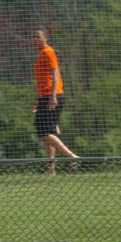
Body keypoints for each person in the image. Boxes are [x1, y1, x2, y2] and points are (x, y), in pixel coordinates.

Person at [32, 29, 79, 175]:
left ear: (46, 38)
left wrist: (53, 97)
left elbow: (55, 73)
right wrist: (38, 98)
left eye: (38, 37)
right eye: (34, 37)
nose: (35, 39)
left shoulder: (48, 52)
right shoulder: (42, 53)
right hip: (45, 96)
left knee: (43, 131)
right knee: (48, 132)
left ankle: (71, 157)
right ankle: (51, 169)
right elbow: (43, 79)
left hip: (52, 96)